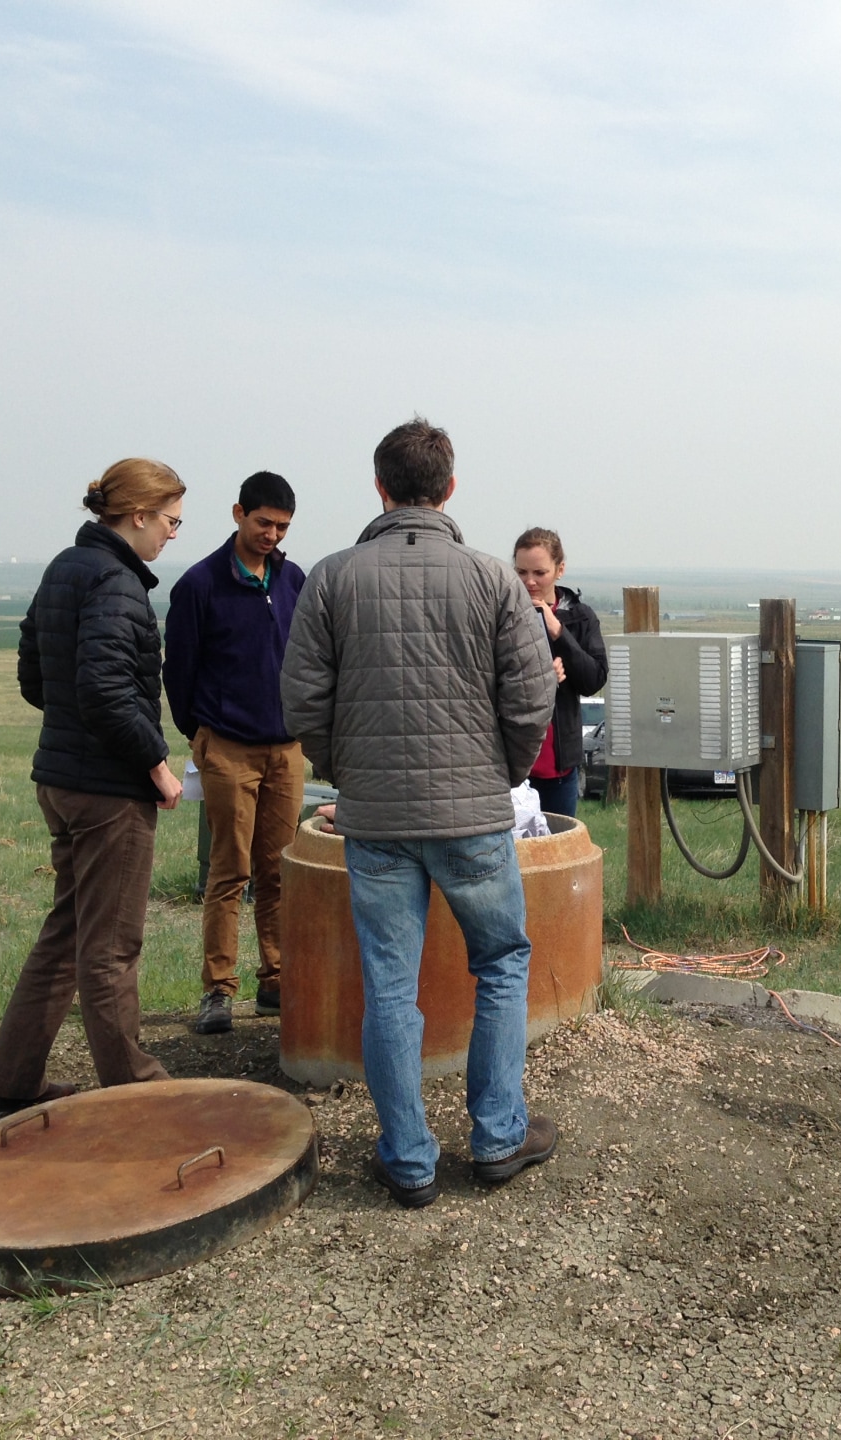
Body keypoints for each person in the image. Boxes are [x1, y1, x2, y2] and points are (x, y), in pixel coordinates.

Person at [281, 418, 558, 1209]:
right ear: (449, 488)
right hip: (473, 814)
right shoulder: (494, 580)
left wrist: (344, 771)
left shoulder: (333, 578)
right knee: (501, 963)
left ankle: (407, 1160)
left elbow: (302, 695)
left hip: (373, 819)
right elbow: (532, 692)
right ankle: (500, 1136)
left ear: (379, 487)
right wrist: (500, 771)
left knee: (389, 985)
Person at [0, 459, 185, 1114]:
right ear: (139, 516)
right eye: (172, 522)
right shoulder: (118, 583)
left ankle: (13, 1079)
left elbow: (35, 677)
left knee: (67, 933)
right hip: (108, 794)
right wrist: (154, 762)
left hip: (61, 779)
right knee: (110, 948)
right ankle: (136, 1093)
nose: (173, 536)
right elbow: (101, 689)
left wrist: (72, 728)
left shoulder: (65, 570)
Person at [165, 471, 308, 1035]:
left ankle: (275, 978)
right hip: (226, 747)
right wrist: (200, 735)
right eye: (263, 523)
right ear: (237, 514)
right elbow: (178, 672)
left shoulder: (295, 580)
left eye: (282, 527)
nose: (272, 534)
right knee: (230, 870)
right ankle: (217, 992)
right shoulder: (200, 585)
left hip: (286, 749)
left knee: (280, 870)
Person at [511, 527, 607, 818]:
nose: (529, 582)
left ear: (559, 570)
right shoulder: (501, 614)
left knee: (558, 855)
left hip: (558, 768)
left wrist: (559, 633)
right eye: (521, 572)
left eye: (539, 573)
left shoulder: (580, 617)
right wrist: (537, 676)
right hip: (511, 770)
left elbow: (594, 680)